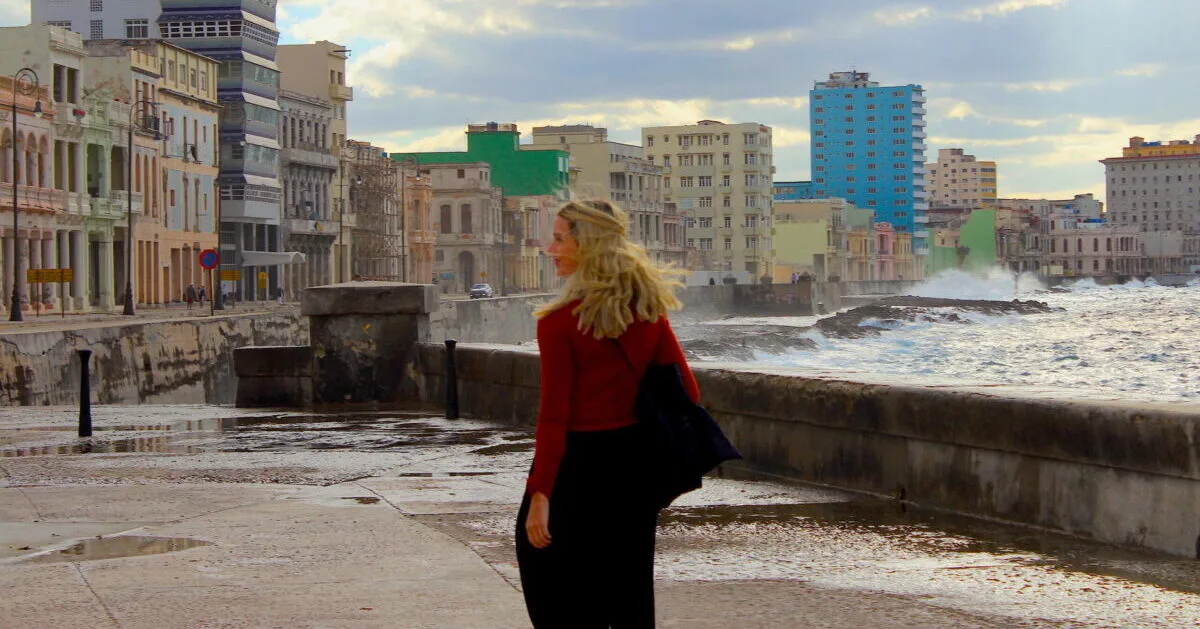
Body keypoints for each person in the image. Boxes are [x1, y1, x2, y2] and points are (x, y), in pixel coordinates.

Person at [517, 199, 699, 629]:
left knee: (554, 589)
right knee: (629, 593)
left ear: (587, 246)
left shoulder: (559, 323)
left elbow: (554, 415)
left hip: (575, 469)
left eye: (560, 239)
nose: (551, 249)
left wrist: (541, 494)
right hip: (634, 468)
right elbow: (687, 391)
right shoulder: (650, 312)